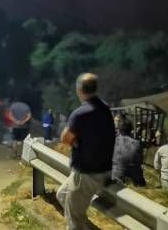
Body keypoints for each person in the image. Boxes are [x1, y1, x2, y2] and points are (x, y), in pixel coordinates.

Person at [57, 73, 115, 230]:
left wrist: (75, 140)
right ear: (95, 89)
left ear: (79, 90)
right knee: (62, 195)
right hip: (104, 169)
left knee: (74, 223)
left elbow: (65, 138)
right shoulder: (105, 109)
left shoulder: (80, 113)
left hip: (87, 173)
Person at [112, 118, 145, 186]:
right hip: (134, 179)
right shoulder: (137, 144)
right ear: (131, 130)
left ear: (118, 129)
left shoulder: (112, 141)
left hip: (116, 177)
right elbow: (140, 161)